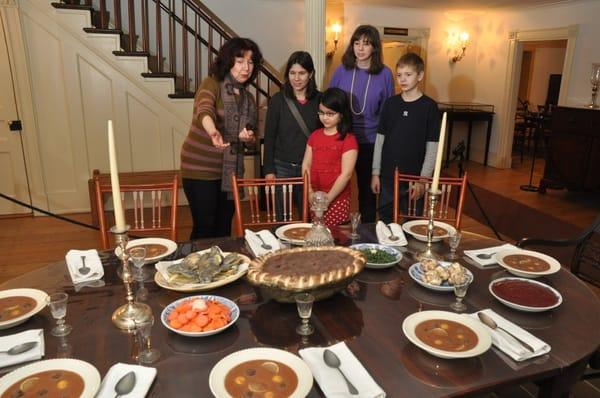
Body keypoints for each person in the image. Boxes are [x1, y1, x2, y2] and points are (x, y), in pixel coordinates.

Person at [180, 37, 262, 239]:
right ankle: (197, 268)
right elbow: (204, 110)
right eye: (240, 61)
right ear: (228, 60)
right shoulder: (212, 83)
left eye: (251, 62)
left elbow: (252, 131)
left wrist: (249, 136)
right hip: (200, 168)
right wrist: (212, 131)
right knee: (205, 226)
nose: (246, 68)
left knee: (224, 226)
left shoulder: (248, 99)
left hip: (231, 171)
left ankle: (221, 268)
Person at [329, 25, 394, 223]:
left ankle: (367, 234)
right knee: (338, 187)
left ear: (375, 47)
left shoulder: (385, 74)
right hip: (343, 138)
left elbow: (387, 112)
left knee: (367, 192)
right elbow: (330, 103)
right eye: (356, 43)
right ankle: (335, 229)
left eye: (366, 44)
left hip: (371, 142)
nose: (360, 48)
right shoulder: (342, 70)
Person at [371, 52, 440, 223]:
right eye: (399, 75)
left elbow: (432, 148)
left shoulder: (429, 107)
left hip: (414, 179)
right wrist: (375, 173)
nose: (402, 79)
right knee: (386, 220)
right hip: (388, 176)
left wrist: (423, 181)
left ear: (420, 76)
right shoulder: (390, 104)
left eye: (408, 75)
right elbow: (380, 141)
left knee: (412, 221)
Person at [263, 51, 321, 219]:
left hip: (309, 167)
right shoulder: (278, 100)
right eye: (292, 73)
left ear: (310, 74)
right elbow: (270, 137)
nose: (297, 78)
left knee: (309, 217)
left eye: (302, 73)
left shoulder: (320, 100)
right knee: (281, 217)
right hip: (282, 166)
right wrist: (269, 169)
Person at [301, 88, 358, 227]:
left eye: (330, 114)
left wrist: (328, 198)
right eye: (321, 112)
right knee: (317, 235)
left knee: (336, 238)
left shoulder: (348, 139)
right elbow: (306, 165)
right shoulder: (315, 135)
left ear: (342, 114)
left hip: (337, 199)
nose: (324, 117)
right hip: (315, 197)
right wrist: (309, 192)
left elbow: (346, 174)